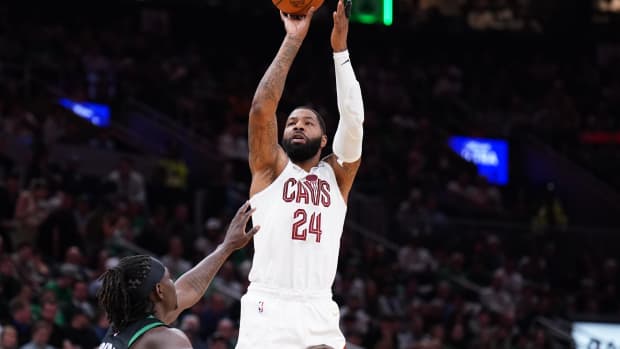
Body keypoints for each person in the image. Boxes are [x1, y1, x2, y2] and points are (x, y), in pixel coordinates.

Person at [236, 0, 364, 347]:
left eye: (307, 122)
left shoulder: (336, 177)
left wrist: (341, 53)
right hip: (269, 306)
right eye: (291, 121)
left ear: (324, 140)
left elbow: (354, 124)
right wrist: (293, 40)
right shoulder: (269, 168)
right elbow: (262, 109)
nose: (296, 125)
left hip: (319, 306)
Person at [96, 201, 259, 349]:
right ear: (159, 291)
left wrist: (226, 247)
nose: (175, 283)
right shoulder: (168, 340)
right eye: (169, 279)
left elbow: (188, 288)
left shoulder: (122, 328)